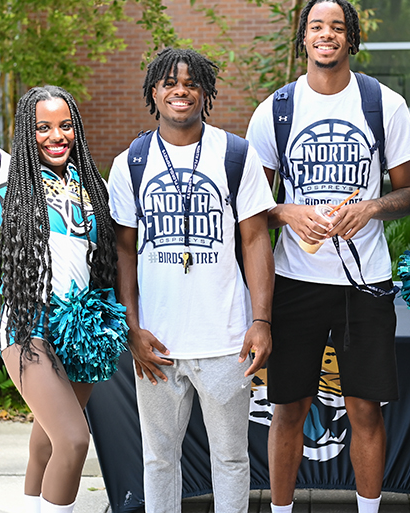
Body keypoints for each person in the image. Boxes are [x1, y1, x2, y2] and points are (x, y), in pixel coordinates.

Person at [245, 0, 410, 513]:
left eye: (338, 26)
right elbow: (253, 207)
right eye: (317, 26)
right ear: (303, 37)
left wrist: (370, 208)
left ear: (352, 38)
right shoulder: (275, 109)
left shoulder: (383, 104)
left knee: (365, 408)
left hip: (364, 284)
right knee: (288, 407)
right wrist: (288, 212)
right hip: (295, 281)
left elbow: (409, 194)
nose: (327, 34)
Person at [0, 45, 120, 513]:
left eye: (64, 125)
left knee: (46, 442)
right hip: (28, 327)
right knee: (74, 441)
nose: (56, 136)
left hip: (82, 331)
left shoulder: (92, 184)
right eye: (42, 127)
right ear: (26, 130)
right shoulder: (8, 177)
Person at [107, 48, 275, 513]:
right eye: (168, 83)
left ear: (205, 91)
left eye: (190, 83)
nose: (180, 91)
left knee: (230, 458)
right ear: (153, 92)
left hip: (225, 338)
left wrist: (261, 320)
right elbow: (123, 249)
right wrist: (132, 327)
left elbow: (257, 240)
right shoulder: (131, 163)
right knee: (159, 459)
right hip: (157, 342)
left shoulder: (236, 154)